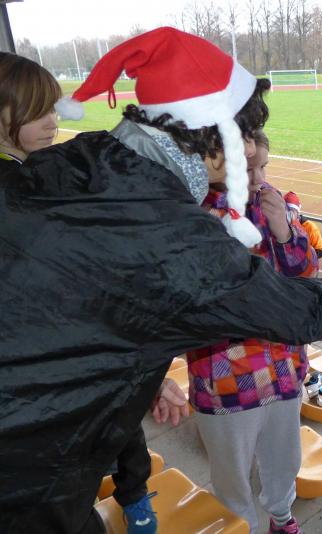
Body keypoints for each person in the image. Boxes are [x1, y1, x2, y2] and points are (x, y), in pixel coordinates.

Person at [0, 28, 322, 534]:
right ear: (217, 141)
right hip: (28, 474)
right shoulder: (174, 233)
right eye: (244, 136)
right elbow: (296, 310)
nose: (249, 149)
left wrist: (143, 376)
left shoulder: (76, 159)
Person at [0, 52, 161, 533]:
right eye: (38, 111)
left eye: (53, 108)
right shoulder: (20, 191)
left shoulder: (29, 175)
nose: (54, 121)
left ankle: (132, 492)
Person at [187, 128, 318, 534]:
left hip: (283, 368)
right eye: (249, 168)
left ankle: (281, 515)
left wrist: (284, 230)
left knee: (285, 458)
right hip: (225, 378)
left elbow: (306, 274)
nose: (260, 178)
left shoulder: (274, 203)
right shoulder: (193, 214)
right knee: (231, 474)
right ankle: (240, 526)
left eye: (263, 166)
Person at [0, 52, 60, 174]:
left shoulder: (27, 168)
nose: (53, 125)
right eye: (36, 111)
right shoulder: (14, 181)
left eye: (53, 109)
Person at [284, 190, 322, 259]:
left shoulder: (309, 226)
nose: (289, 214)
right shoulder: (280, 226)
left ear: (297, 211)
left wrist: (304, 256)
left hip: (305, 264)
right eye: (286, 210)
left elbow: (320, 250)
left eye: (292, 210)